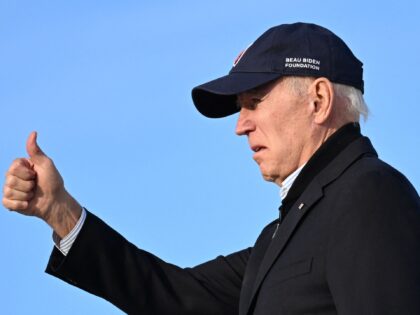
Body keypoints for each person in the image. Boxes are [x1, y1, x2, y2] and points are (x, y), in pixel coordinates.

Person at [3, 22, 420, 315]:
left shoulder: (369, 194)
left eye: (254, 101)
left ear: (318, 100)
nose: (240, 126)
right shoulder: (282, 235)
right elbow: (174, 296)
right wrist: (59, 212)